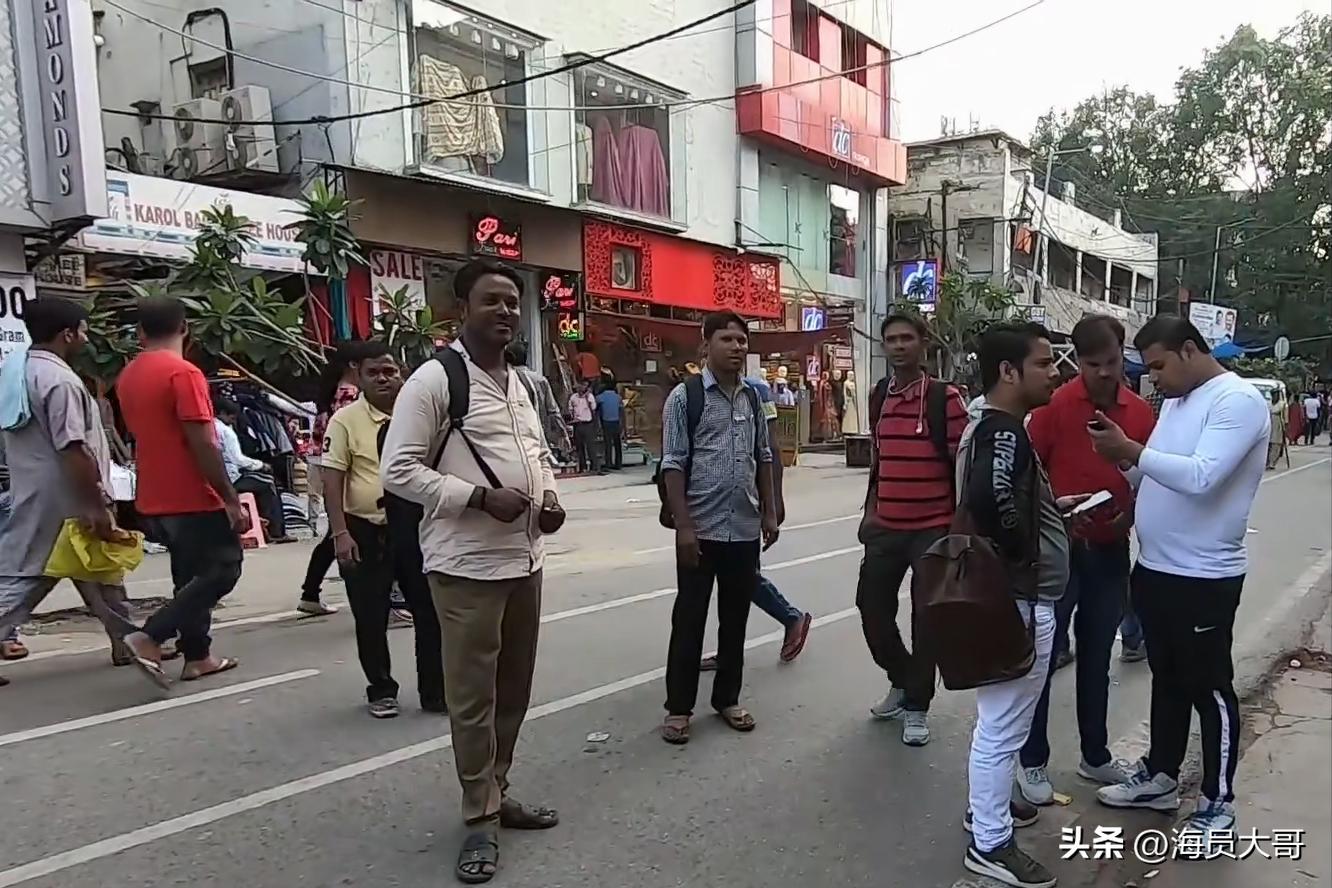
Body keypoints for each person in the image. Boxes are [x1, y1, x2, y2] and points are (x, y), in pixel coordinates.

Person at [381, 258, 563, 884]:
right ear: (462, 309)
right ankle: (479, 818)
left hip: (525, 560)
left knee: (513, 692)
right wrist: (478, 498)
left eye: (513, 301)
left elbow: (535, 452)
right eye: (493, 300)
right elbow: (398, 470)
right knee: (472, 701)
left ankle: (498, 789)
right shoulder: (434, 380)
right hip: (465, 568)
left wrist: (550, 497)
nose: (507, 311)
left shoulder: (519, 383)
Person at [1091, 316, 1270, 846]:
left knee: (1208, 688)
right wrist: (1120, 463)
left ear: (1191, 350)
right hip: (1155, 568)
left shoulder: (1236, 402)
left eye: (1160, 367)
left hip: (1202, 576)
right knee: (1167, 678)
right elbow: (1151, 474)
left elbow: (1201, 476)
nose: (1154, 380)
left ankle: (1218, 802)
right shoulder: (1176, 401)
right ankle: (1162, 777)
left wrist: (1132, 451)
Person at [1015, 316, 1155, 807]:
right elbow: (1026, 475)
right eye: (1093, 364)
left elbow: (1149, 479)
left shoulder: (1139, 414)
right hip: (1057, 552)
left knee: (1097, 656)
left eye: (1112, 363)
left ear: (1123, 356)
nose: (1102, 373)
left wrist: (1127, 519)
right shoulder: (1053, 407)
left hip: (1110, 550)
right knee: (1043, 660)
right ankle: (1032, 761)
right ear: (1078, 360)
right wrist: (1057, 510)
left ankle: (1094, 754)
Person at [959, 322, 1075, 888]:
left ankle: (986, 813)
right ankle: (990, 843)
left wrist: (1047, 511)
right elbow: (990, 496)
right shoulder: (1003, 432)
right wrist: (1021, 554)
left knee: (1000, 721)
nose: (1055, 373)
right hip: (1021, 596)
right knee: (1003, 726)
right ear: (1009, 372)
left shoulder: (1000, 428)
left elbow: (1005, 494)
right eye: (1045, 363)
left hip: (1020, 591)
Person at [0, 298, 140, 681]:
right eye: (83, 328)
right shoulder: (59, 381)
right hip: (65, 496)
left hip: (37, 490)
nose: (86, 335)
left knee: (99, 570)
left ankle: (129, 642)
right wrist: (94, 503)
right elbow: (73, 447)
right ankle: (130, 642)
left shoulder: (19, 372)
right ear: (68, 334)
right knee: (30, 577)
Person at [658, 310, 779, 745]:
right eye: (727, 339)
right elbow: (672, 464)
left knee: (736, 619)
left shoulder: (753, 398)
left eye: (742, 340)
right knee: (689, 619)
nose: (737, 347)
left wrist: (770, 509)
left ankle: (727, 698)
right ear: (705, 345)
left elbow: (763, 455)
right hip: (700, 529)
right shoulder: (684, 398)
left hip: (743, 529)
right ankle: (679, 708)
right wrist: (684, 527)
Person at [117, 296, 247, 687]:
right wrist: (228, 495)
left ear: (140, 333)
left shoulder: (128, 376)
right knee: (224, 569)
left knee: (189, 575)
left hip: (155, 495)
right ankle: (151, 635)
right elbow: (202, 442)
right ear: (185, 328)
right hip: (192, 493)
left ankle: (198, 655)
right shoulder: (184, 374)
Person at [860, 313, 968, 747]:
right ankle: (903, 679)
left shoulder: (946, 398)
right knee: (870, 608)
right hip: (887, 527)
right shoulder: (878, 397)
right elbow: (878, 460)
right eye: (891, 340)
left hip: (932, 528)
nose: (899, 346)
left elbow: (963, 467)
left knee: (926, 621)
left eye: (907, 338)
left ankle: (918, 707)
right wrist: (870, 512)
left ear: (923, 344)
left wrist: (959, 528)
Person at [322, 344, 444, 719]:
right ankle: (381, 689)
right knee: (370, 615)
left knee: (429, 612)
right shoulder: (345, 420)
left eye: (390, 372)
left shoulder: (419, 415)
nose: (383, 379)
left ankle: (435, 692)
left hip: (412, 526)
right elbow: (332, 478)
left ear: (402, 374)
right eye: (374, 372)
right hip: (365, 530)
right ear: (359, 375)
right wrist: (340, 533)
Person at [699, 369, 812, 672]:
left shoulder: (755, 391)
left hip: (748, 502)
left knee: (743, 577)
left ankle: (791, 617)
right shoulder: (698, 392)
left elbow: (770, 449)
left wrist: (773, 502)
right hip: (716, 504)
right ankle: (729, 652)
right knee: (733, 581)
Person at [299, 341, 364, 616]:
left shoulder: (332, 394)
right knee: (345, 530)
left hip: (327, 464)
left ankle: (310, 592)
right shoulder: (349, 395)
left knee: (336, 532)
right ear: (354, 365)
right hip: (343, 466)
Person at [214, 398, 293, 544]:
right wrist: (261, 465)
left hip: (216, 478)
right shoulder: (226, 432)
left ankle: (262, 523)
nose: (233, 422)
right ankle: (276, 531)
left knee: (258, 481)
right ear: (223, 413)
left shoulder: (208, 427)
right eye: (231, 418)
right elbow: (238, 460)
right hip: (232, 478)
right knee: (269, 483)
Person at [505, 341, 569, 460]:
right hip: (537, 434)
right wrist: (563, 433)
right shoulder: (539, 380)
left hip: (511, 436)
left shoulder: (503, 380)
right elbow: (553, 410)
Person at [568, 379, 600, 473]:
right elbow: (570, 409)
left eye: (585, 385)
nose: (582, 387)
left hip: (588, 424)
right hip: (577, 425)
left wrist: (587, 399)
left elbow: (594, 408)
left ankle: (594, 467)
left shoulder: (590, 397)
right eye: (581, 385)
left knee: (590, 447)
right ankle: (583, 467)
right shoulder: (573, 397)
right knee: (579, 447)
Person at [595, 382, 624, 470]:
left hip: (606, 422)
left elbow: (595, 406)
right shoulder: (618, 397)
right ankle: (618, 464)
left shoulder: (600, 397)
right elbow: (621, 411)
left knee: (608, 444)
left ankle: (608, 463)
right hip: (616, 422)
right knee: (617, 444)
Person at [1265, 389, 1287, 470]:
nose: (1275, 396)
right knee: (1268, 444)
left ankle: (1272, 463)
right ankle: (1266, 462)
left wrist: (1285, 426)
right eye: (1273, 395)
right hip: (1269, 423)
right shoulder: (1268, 404)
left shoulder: (1282, 404)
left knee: (1276, 444)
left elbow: (1285, 416)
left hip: (1278, 424)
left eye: (1276, 395)